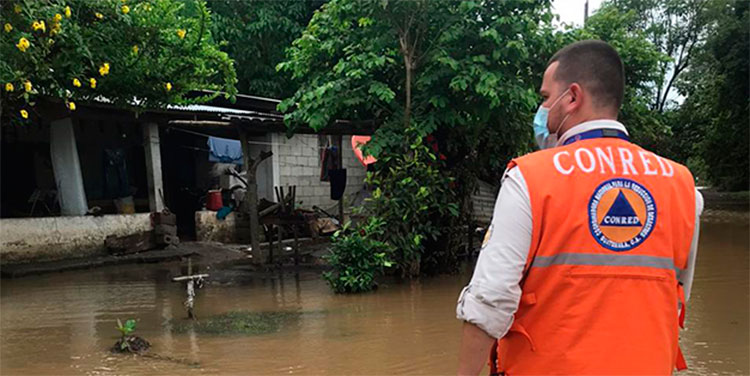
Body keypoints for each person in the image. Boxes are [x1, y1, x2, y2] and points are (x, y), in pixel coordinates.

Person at [456, 40, 703, 375]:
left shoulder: (529, 179)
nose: (542, 108)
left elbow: (489, 301)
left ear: (572, 97)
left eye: (545, 97)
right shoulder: (682, 186)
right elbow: (673, 296)